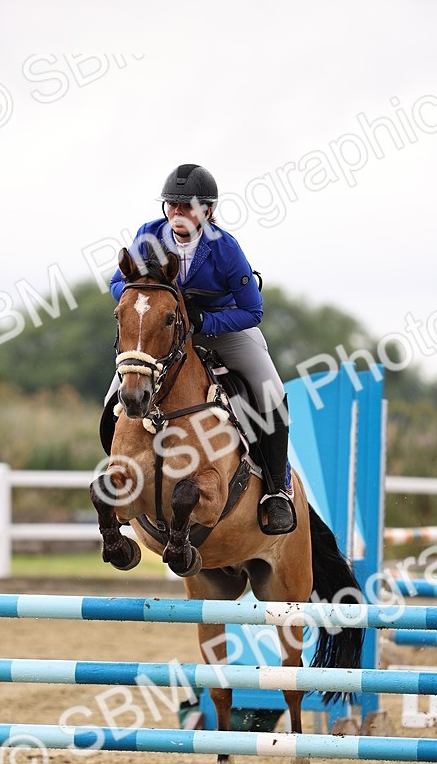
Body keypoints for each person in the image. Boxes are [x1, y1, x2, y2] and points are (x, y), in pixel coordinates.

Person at [108, 162, 296, 535]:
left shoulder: (225, 249)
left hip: (219, 328)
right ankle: (120, 475)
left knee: (270, 389)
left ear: (207, 211)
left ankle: (278, 489)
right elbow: (119, 285)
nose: (177, 213)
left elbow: (252, 310)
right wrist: (154, 299)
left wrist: (201, 322)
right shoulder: (149, 235)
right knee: (117, 388)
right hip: (164, 331)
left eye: (187, 206)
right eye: (172, 205)